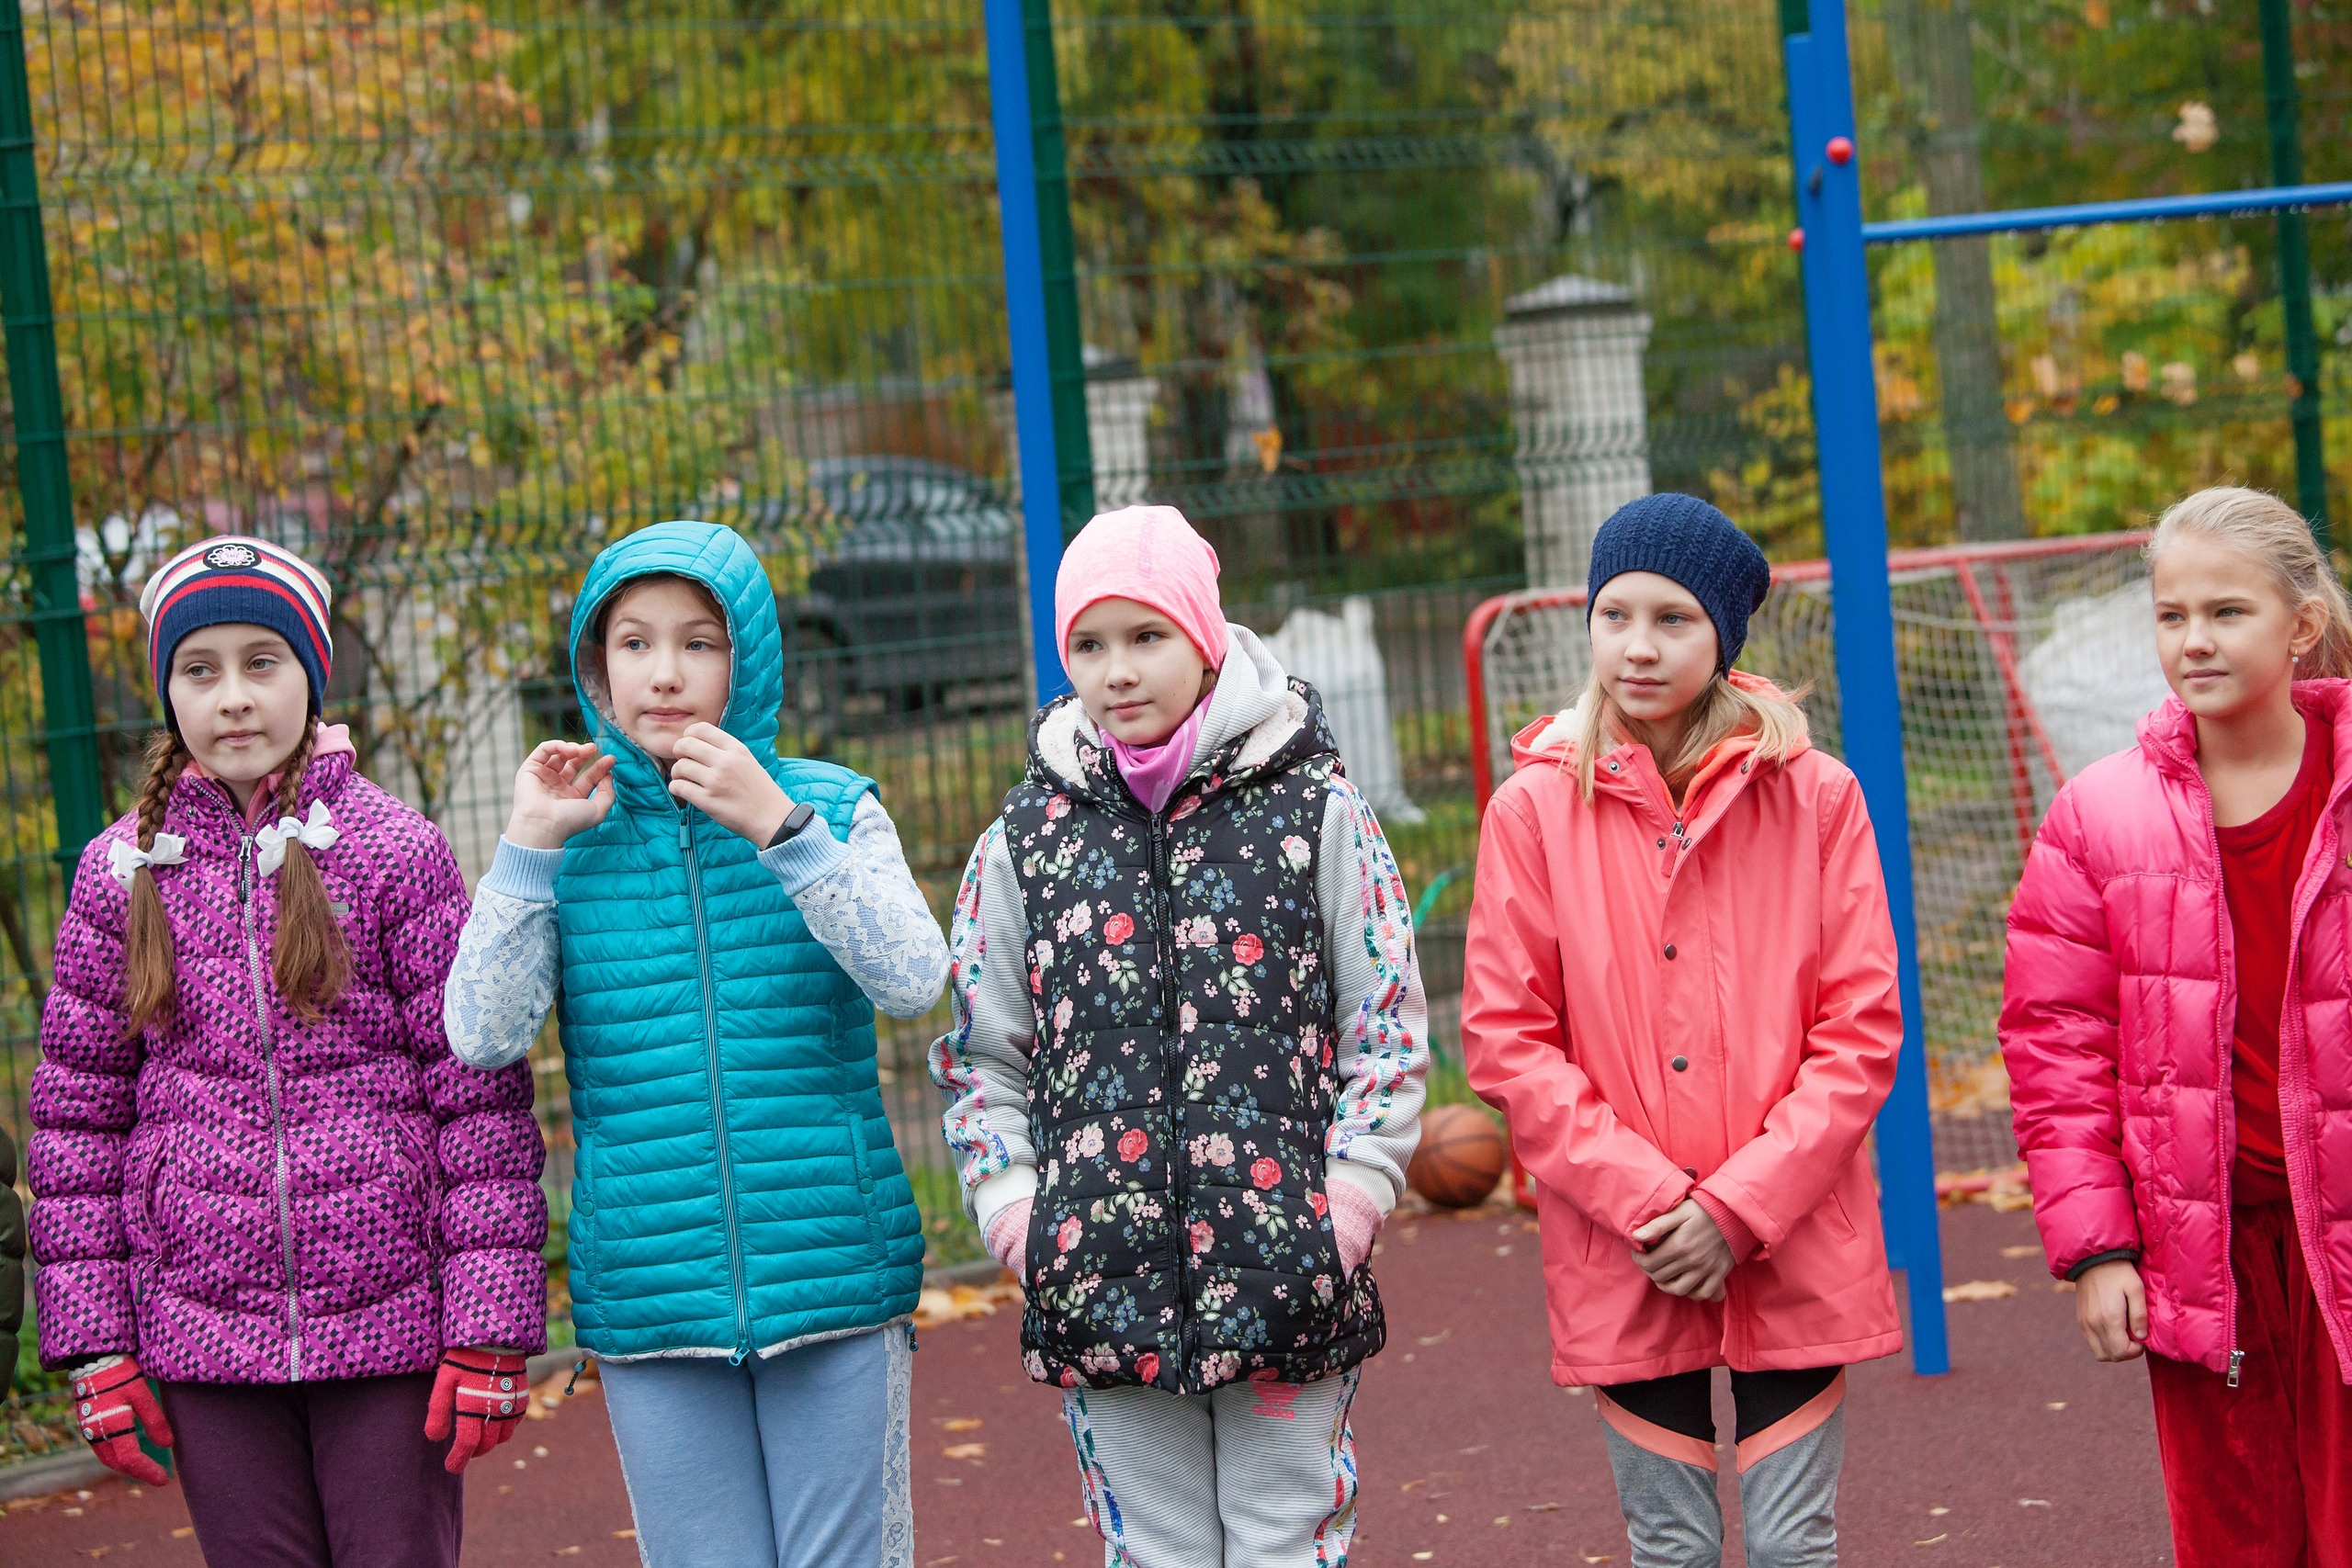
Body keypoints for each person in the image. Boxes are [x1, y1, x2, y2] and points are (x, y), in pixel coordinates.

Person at [28, 535, 546, 1566]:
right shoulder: (120, 872)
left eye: (262, 663)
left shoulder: (397, 851)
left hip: (392, 1327)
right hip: (204, 1336)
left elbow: (477, 1105)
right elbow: (77, 1118)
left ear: (312, 673)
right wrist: (96, 1345)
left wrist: (487, 1322)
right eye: (199, 669)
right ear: (165, 690)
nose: (232, 699)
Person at [931, 503, 1429, 1567]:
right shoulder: (1022, 842)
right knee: (1151, 1555)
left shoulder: (1317, 810)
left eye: (1146, 635)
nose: (1117, 671)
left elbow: (1383, 1026)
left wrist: (1345, 1209)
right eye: (1089, 644)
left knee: (1282, 1546)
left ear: (1204, 640)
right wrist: (1019, 1217)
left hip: (1288, 1273)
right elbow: (979, 1054)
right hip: (1100, 1278)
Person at [443, 519, 947, 1568]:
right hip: (650, 1292)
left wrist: (784, 832)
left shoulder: (831, 806)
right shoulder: (569, 834)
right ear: (596, 665)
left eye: (697, 643)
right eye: (634, 643)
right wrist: (527, 849)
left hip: (834, 1278)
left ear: (746, 657)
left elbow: (912, 981)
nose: (664, 674)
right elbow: (481, 1036)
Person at [1460, 493, 1905, 1567]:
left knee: (1796, 1546)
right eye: (1615, 616)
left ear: (1724, 637)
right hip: (1629, 1248)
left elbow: (1860, 1031)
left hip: (1792, 1236)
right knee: (1670, 1549)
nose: (1639, 647)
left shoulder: (1817, 798)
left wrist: (1740, 1207)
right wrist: (1658, 1204)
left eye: (1673, 619)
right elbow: (1507, 1038)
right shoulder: (1529, 812)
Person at [2001, 486, 2352, 1566]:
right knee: (2235, 1543)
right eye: (2169, 615)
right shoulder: (2098, 815)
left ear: (2300, 624)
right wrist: (2098, 1250)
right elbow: (2054, 1045)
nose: (2192, 639)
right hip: (2207, 1254)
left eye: (2226, 612)